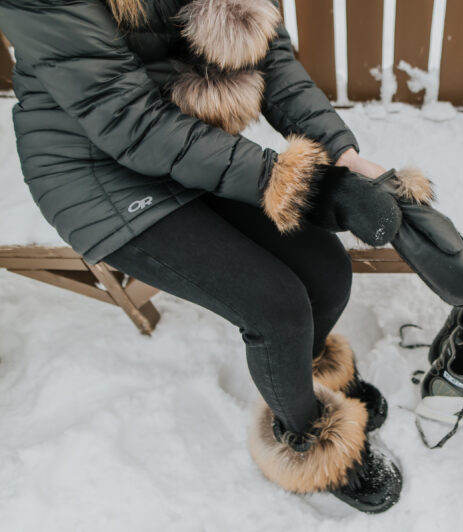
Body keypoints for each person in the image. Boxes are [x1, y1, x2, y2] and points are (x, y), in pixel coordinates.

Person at [0, 0, 402, 513]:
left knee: (326, 271)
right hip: (94, 174)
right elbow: (127, 121)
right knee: (274, 309)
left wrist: (340, 155)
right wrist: (295, 181)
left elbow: (268, 54)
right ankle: (307, 435)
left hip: (193, 143)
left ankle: (307, 374)